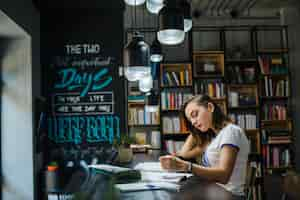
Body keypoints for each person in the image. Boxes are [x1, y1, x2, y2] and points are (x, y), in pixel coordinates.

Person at [159, 94, 250, 197]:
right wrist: (195, 129)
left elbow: (224, 176)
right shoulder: (214, 138)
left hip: (229, 195)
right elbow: (184, 154)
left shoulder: (231, 131)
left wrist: (187, 166)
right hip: (215, 191)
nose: (193, 122)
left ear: (210, 107)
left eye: (195, 114)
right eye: (190, 120)